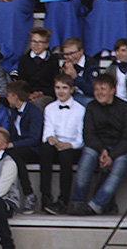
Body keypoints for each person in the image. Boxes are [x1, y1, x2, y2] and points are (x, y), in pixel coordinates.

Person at [69, 74, 127, 215]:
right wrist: (102, 150)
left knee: (121, 163)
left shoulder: (125, 108)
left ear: (113, 90)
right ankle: (77, 202)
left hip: (120, 148)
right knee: (87, 155)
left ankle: (95, 206)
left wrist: (111, 155)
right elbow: (88, 134)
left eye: (103, 89)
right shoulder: (91, 107)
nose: (99, 93)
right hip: (98, 147)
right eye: (96, 89)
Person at [40, 73, 86, 215]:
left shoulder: (80, 110)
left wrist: (68, 145)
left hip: (72, 146)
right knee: (45, 149)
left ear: (72, 89)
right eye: (58, 87)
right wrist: (52, 140)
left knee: (66, 156)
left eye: (64, 88)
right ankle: (45, 195)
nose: (60, 91)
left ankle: (63, 200)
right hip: (55, 144)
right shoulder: (49, 108)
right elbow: (47, 132)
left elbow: (81, 138)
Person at [5, 79, 44, 215]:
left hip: (33, 149)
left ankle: (29, 194)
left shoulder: (34, 112)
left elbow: (34, 138)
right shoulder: (14, 112)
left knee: (13, 155)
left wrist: (13, 144)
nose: (7, 98)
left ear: (15, 96)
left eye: (8, 95)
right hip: (18, 148)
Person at [16, 27, 61, 108]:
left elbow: (55, 84)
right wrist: (28, 95)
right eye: (33, 41)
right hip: (28, 95)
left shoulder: (53, 60)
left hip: (46, 95)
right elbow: (21, 82)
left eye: (40, 42)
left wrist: (42, 93)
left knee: (37, 103)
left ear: (46, 44)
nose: (36, 45)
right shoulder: (24, 60)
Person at [60, 37, 100, 105]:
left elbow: (92, 91)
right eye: (66, 54)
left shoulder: (91, 65)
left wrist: (75, 77)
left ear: (81, 51)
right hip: (69, 96)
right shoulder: (66, 64)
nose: (69, 57)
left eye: (72, 53)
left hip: (86, 96)